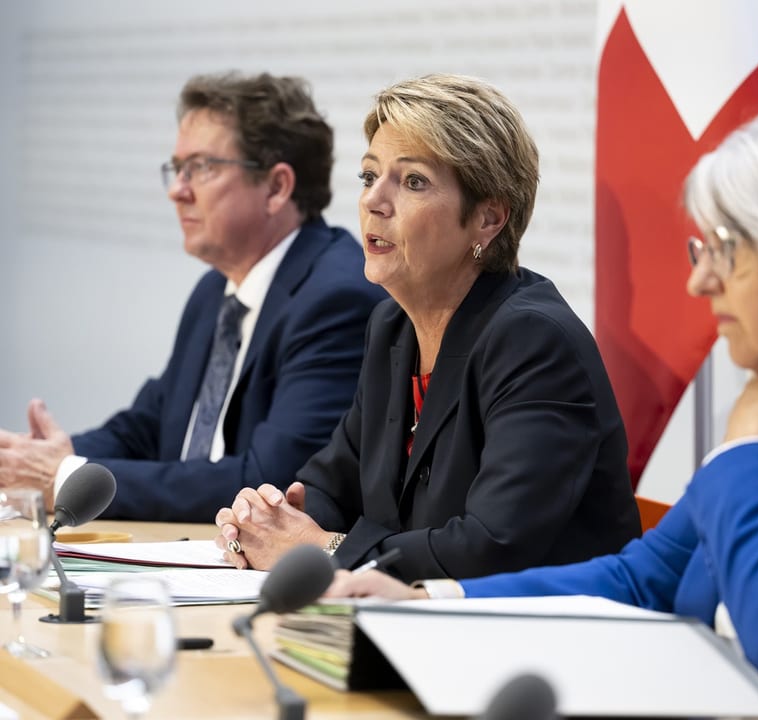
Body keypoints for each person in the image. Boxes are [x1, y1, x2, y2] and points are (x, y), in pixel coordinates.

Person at [323, 105, 758, 705]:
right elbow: (639, 580)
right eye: (700, 250)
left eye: (725, 250)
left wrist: (744, 449)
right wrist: (434, 600)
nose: (699, 281)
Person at [214, 74, 642, 581]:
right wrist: (270, 521)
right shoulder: (392, 326)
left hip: (544, 638)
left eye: (413, 181)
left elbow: (492, 546)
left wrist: (323, 548)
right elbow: (332, 484)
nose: (375, 201)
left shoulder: (533, 341)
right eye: (369, 176)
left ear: (488, 219)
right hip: (424, 626)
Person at [0, 72, 386, 521]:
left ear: (277, 187)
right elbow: (149, 426)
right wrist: (33, 461)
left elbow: (272, 481)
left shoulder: (335, 299)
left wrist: (63, 476)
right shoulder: (216, 290)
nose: (177, 190)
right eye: (177, 168)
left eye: (201, 168)